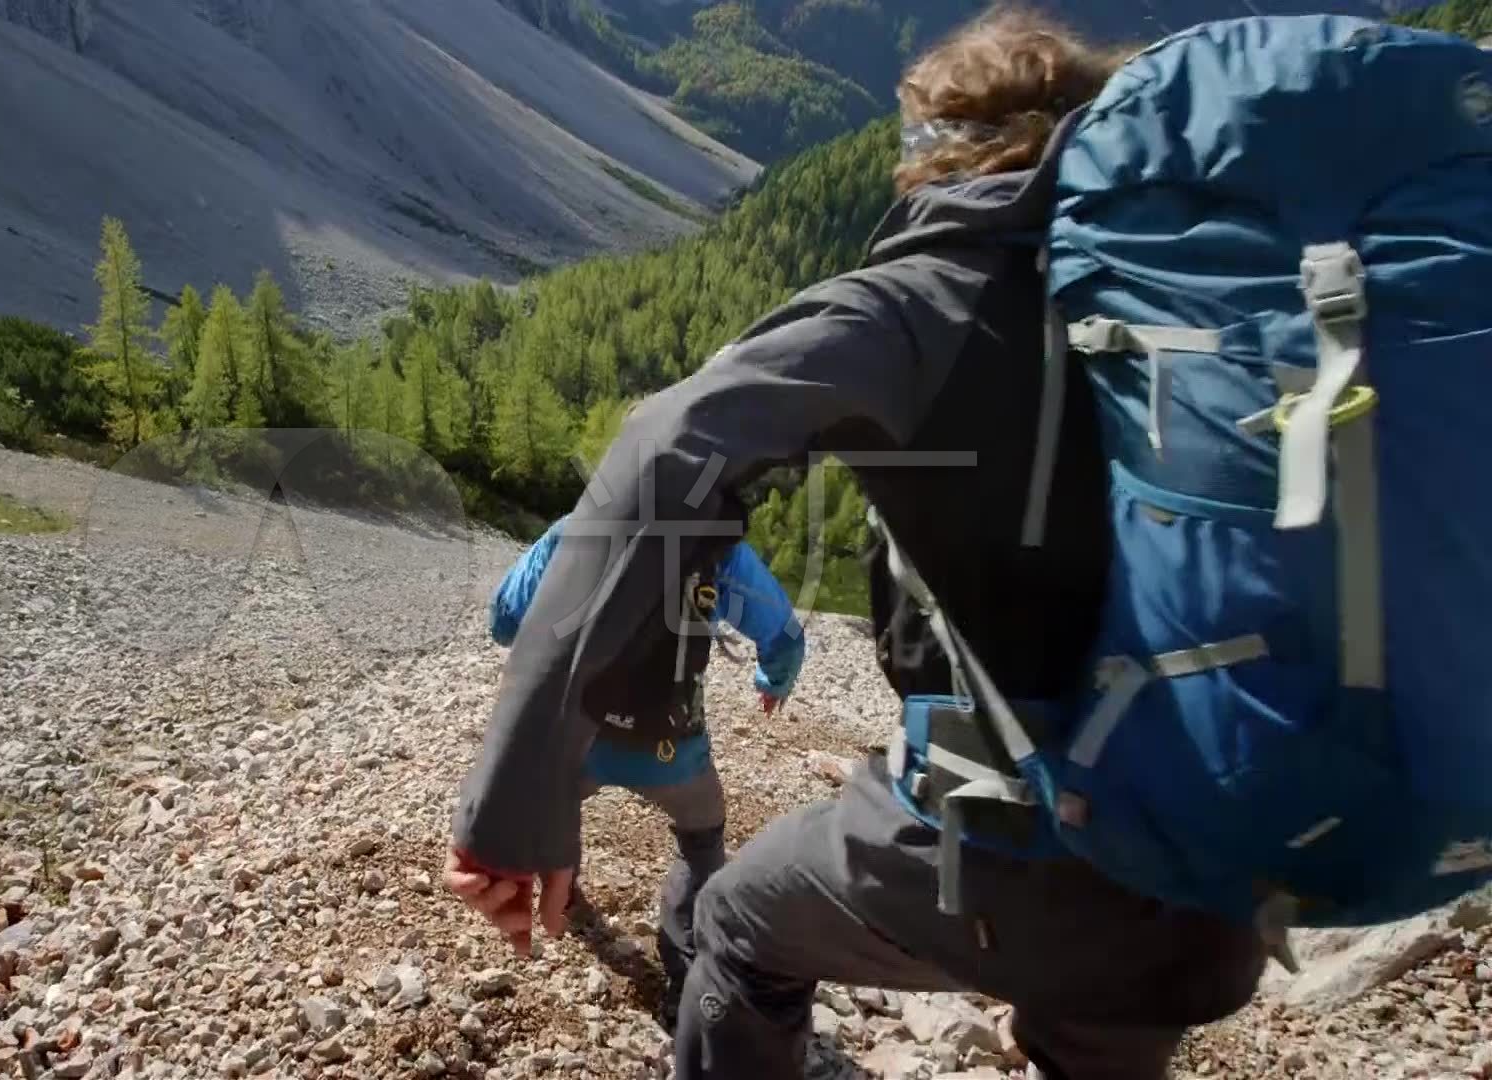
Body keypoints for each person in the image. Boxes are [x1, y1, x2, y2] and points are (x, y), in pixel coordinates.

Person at [443, 8, 1269, 1080]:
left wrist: (516, 800)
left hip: (1019, 843)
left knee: (738, 929)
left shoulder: (928, 297)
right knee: (1101, 1006)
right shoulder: (1216, 307)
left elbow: (664, 451)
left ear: (939, 154)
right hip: (1227, 868)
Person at [486, 511, 804, 1029]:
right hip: (673, 753)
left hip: (582, 737)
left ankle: (564, 893)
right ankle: (685, 977)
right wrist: (773, 681)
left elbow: (503, 621)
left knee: (558, 799)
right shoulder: (718, 546)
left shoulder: (581, 526)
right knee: (703, 839)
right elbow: (785, 634)